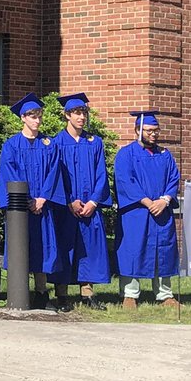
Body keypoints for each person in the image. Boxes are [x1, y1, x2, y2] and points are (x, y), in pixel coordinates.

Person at [0, 93, 69, 310]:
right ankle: (19, 292)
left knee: (43, 248)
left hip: (42, 207)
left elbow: (54, 173)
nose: (37, 121)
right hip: (21, 209)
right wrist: (28, 200)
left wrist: (42, 198)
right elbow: (11, 174)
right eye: (32, 117)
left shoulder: (49, 145)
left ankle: (41, 292)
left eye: (39, 116)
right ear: (23, 118)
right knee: (22, 246)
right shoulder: (11, 145)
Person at [114, 111, 181, 310]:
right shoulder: (126, 154)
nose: (153, 134)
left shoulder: (165, 154)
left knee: (163, 250)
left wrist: (164, 200)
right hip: (136, 213)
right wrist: (146, 201)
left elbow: (173, 179)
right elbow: (125, 181)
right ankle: (130, 294)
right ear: (137, 130)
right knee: (133, 250)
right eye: (149, 131)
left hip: (161, 211)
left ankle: (165, 295)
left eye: (156, 130)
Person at [53, 93, 112, 309]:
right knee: (65, 247)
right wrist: (69, 201)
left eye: (84, 113)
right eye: (77, 113)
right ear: (67, 115)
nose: (81, 117)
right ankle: (61, 293)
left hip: (90, 207)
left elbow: (101, 174)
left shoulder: (94, 142)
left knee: (89, 248)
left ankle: (87, 293)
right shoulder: (56, 143)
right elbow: (55, 176)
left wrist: (94, 201)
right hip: (66, 208)